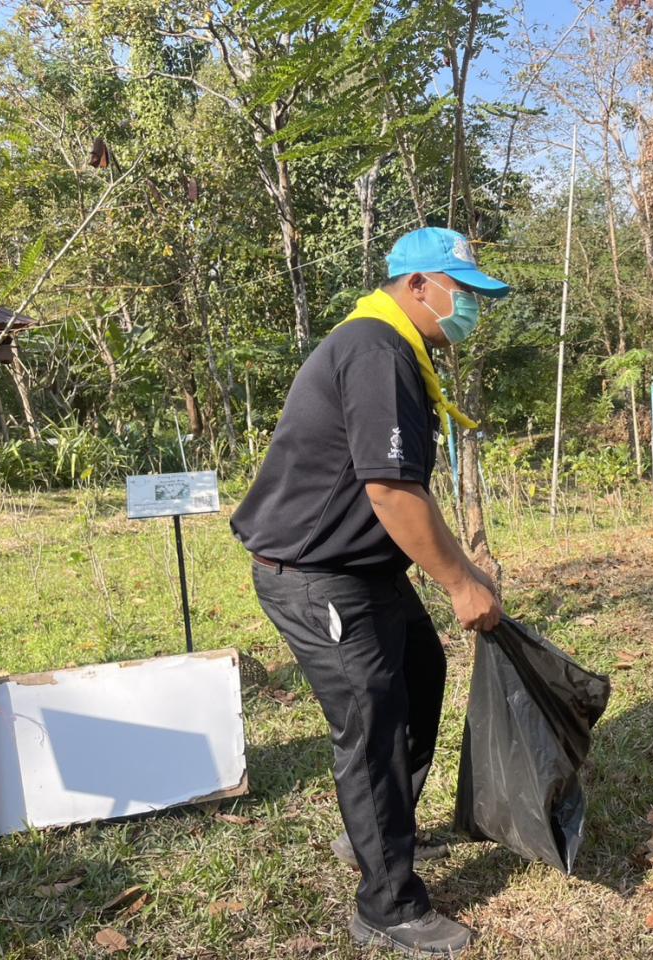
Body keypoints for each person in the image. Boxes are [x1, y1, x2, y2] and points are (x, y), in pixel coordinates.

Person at [231, 227, 508, 956]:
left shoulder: (396, 348)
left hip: (363, 569)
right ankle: (387, 904)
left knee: (420, 673)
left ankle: (382, 833)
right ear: (418, 284)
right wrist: (460, 584)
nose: (470, 309)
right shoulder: (376, 349)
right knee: (372, 723)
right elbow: (389, 489)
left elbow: (400, 487)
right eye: (463, 292)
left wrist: (463, 567)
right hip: (318, 575)